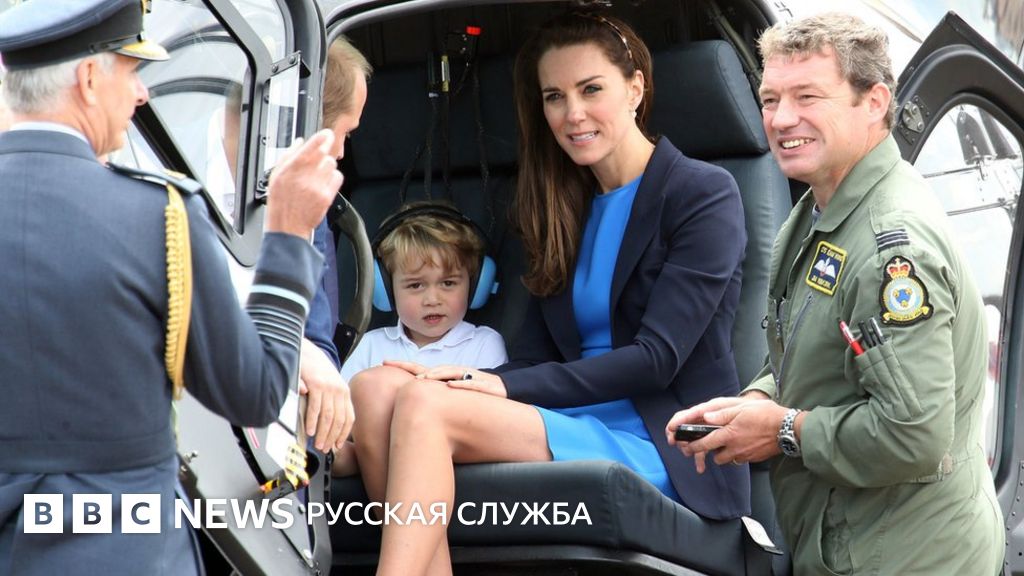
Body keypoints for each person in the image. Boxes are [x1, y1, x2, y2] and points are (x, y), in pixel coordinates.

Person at [353, 12, 748, 574]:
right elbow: (537, 357)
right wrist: (472, 380)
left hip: (658, 438)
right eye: (554, 97)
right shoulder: (562, 207)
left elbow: (657, 359)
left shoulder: (702, 193)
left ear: (635, 88)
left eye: (591, 90)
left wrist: (495, 385)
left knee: (423, 405)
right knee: (375, 389)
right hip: (567, 418)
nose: (572, 113)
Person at [0, 0, 342, 573]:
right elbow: (256, 393)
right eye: (132, 71)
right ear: (90, 78)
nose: (141, 94)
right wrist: (287, 235)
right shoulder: (157, 214)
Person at [666, 12, 1004, 574]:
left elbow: (911, 436)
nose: (781, 118)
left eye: (807, 96)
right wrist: (755, 403)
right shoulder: (820, 212)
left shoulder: (891, 249)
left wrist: (781, 430)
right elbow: (819, 355)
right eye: (770, 99)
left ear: (874, 102)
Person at [338, 202, 508, 476]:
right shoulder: (369, 344)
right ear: (385, 290)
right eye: (416, 285)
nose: (432, 299)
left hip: (454, 460)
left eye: (448, 283)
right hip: (374, 454)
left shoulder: (484, 343)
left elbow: (490, 422)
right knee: (331, 452)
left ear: (475, 286)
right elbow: (343, 417)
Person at [295, 36, 372, 455]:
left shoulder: (312, 203)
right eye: (344, 132)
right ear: (311, 120)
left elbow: (319, 337)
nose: (341, 151)